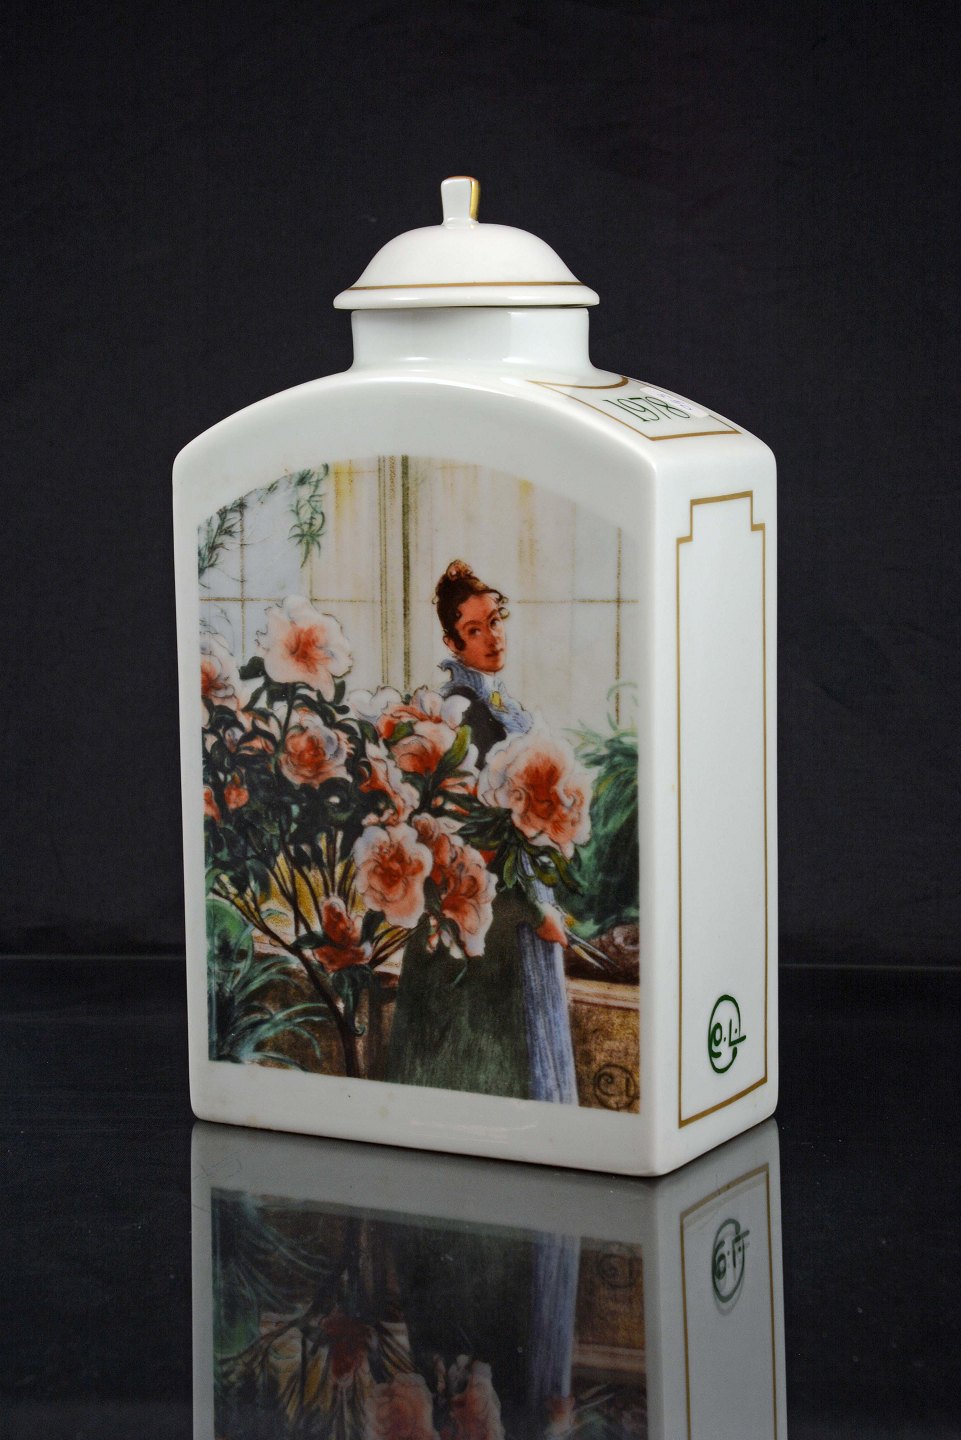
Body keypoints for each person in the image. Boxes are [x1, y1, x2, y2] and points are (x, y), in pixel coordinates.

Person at [385, 561, 578, 1104]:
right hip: (484, 919)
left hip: (509, 908)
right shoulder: (464, 714)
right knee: (484, 1062)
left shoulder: (500, 706)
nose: (492, 637)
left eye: (495, 621)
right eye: (475, 629)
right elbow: (466, 838)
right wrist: (535, 912)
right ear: (452, 641)